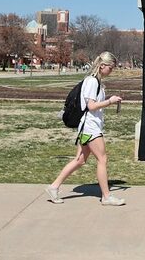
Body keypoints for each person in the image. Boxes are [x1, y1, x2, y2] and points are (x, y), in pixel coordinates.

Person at [45, 51, 125, 206]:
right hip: (90, 128)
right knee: (102, 159)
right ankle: (106, 196)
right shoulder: (92, 82)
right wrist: (110, 101)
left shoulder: (96, 82)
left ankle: (54, 187)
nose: (112, 70)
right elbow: (91, 106)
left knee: (80, 160)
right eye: (111, 67)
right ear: (102, 66)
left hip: (88, 128)